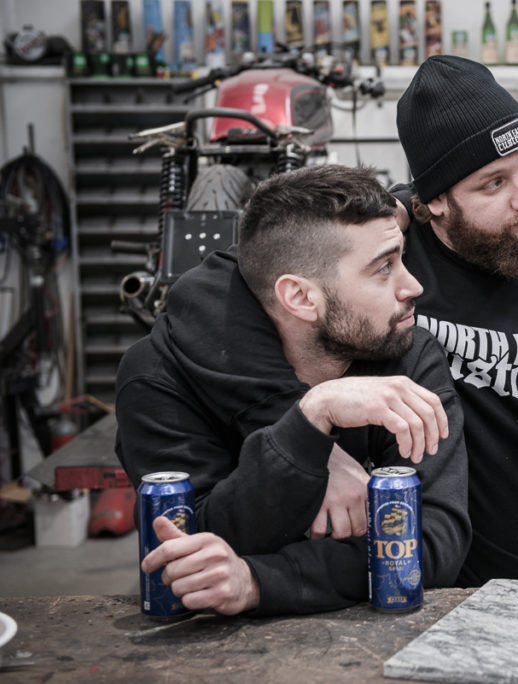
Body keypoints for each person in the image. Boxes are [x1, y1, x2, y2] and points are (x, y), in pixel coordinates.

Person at [115, 165, 470, 615]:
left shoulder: (406, 354)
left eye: (401, 257)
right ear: (300, 298)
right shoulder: (158, 381)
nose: (412, 285)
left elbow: (434, 542)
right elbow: (194, 548)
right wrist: (309, 423)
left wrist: (261, 581)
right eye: (383, 268)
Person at [391, 55, 518, 585]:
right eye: (492, 184)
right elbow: (240, 276)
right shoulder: (394, 263)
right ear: (436, 202)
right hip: (453, 585)